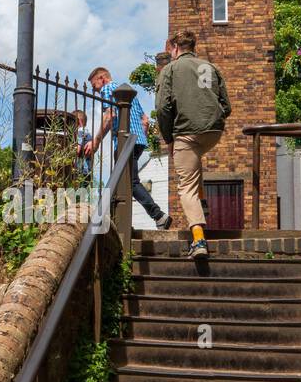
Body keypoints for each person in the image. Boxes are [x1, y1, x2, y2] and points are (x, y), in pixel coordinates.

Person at [156, 29, 230, 258]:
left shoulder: (170, 69)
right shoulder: (209, 67)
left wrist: (169, 139)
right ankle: (203, 202)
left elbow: (162, 108)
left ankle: (199, 241)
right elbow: (225, 106)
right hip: (213, 131)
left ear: (174, 48)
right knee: (194, 167)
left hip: (186, 133)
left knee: (185, 186)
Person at [85, 66, 172, 229]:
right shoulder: (129, 93)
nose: (95, 92)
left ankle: (158, 216)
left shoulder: (108, 89)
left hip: (124, 142)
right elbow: (145, 121)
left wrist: (96, 142)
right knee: (120, 182)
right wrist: (140, 137)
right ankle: (117, 221)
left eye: (94, 87)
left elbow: (109, 117)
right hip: (138, 142)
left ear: (102, 79)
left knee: (130, 182)